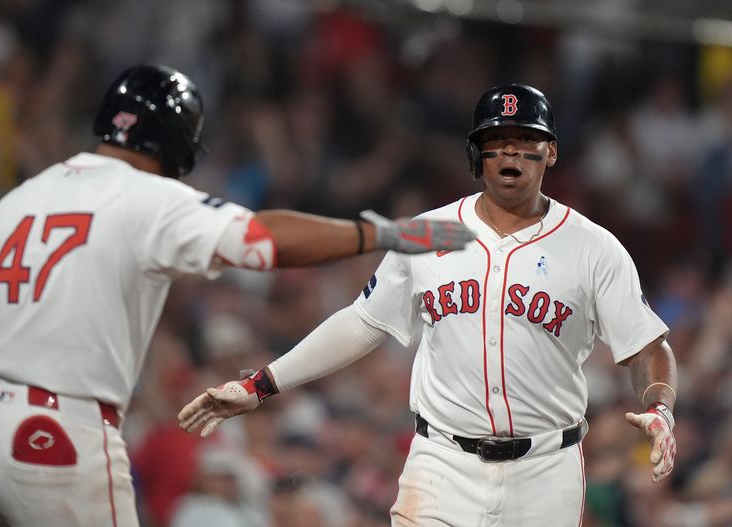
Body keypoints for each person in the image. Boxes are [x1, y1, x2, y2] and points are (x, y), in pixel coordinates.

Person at [0, 64, 475, 527]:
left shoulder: (21, 198)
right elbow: (264, 241)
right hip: (57, 433)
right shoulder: (148, 194)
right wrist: (378, 235)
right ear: (175, 139)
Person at [179, 84, 678, 527]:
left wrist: (660, 408)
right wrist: (261, 384)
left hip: (546, 470)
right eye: (495, 142)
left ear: (550, 152)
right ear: (475, 154)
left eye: (526, 141)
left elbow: (647, 347)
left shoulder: (594, 247)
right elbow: (362, 322)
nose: (510, 153)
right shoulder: (428, 232)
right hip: (443, 462)